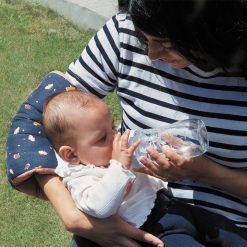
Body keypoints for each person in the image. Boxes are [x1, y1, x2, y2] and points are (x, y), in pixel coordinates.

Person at [6, 0, 247, 246]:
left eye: (166, 43)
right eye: (145, 39)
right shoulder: (126, 32)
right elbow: (30, 123)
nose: (151, 55)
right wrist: (71, 214)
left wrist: (207, 172)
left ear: (215, 31)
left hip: (229, 227)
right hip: (135, 221)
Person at [42, 90, 247, 247]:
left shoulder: (108, 156)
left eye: (113, 127)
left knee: (224, 228)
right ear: (71, 154)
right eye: (103, 138)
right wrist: (120, 167)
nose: (115, 137)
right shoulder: (81, 177)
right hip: (153, 231)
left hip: (171, 206)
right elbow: (100, 207)